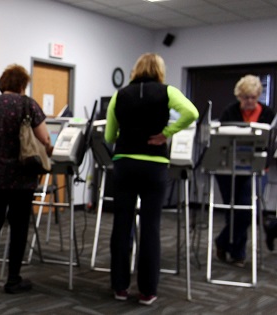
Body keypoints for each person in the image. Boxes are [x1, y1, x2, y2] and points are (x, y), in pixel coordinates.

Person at [105, 53, 198, 305]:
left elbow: (110, 134)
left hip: (124, 163)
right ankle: (147, 291)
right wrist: (166, 133)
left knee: (122, 226)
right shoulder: (168, 92)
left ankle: (120, 287)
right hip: (154, 166)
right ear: (160, 70)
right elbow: (191, 112)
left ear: (135, 70)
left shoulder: (120, 95)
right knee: (150, 227)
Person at [0, 64, 53, 294]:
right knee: (18, 227)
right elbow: (44, 138)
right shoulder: (28, 105)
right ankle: (13, 280)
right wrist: (48, 148)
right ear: (21, 85)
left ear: (4, 84)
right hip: (20, 175)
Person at [214, 74, 275, 266]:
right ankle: (238, 254)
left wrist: (265, 165)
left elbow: (271, 143)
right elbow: (220, 142)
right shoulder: (229, 112)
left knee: (247, 209)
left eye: (253, 97)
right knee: (233, 211)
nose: (249, 101)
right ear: (239, 96)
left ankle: (223, 242)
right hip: (229, 168)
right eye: (246, 97)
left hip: (256, 168)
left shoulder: (267, 113)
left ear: (258, 96)